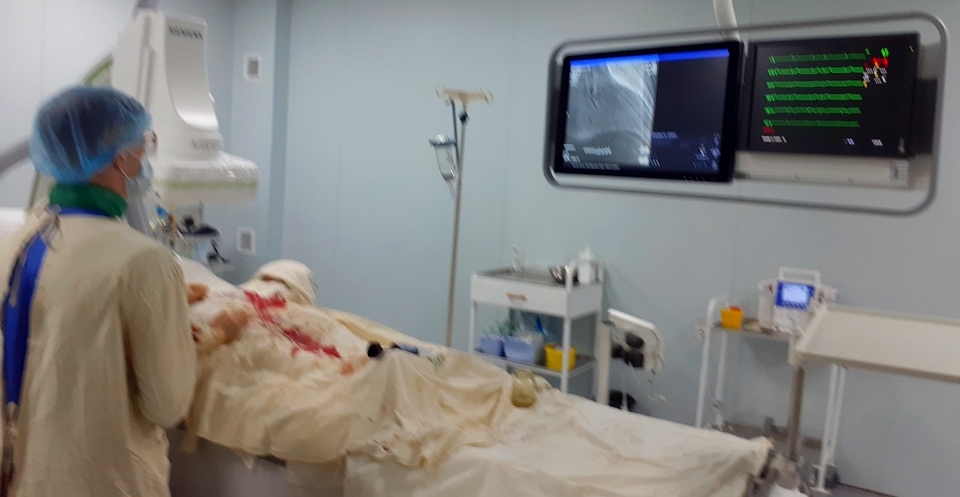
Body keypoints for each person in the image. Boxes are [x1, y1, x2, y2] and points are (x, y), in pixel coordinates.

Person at [0, 86, 197, 496]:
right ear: (119, 158)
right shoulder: (143, 261)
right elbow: (168, 404)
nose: (144, 159)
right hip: (102, 481)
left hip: (22, 475)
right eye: (142, 146)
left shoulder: (15, 242)